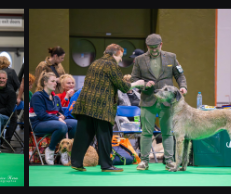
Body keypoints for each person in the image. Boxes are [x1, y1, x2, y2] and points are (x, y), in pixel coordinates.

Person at [71, 44, 146, 172]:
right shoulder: (111, 65)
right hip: (102, 106)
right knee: (105, 135)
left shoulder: (95, 63)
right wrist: (136, 84)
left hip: (85, 104)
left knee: (83, 134)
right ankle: (106, 165)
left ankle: (76, 162)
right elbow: (122, 86)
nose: (121, 60)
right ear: (116, 53)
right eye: (121, 56)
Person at [130, 34, 188, 171]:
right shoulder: (139, 60)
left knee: (167, 132)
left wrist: (183, 86)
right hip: (147, 100)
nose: (154, 50)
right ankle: (143, 161)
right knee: (146, 132)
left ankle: (169, 161)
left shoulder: (171, 57)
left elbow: (180, 75)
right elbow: (133, 79)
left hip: (167, 101)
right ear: (147, 46)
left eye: (156, 47)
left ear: (161, 44)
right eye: (151, 48)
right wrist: (144, 84)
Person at [31, 72, 79, 164]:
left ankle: (66, 150)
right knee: (61, 126)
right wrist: (57, 118)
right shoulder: (37, 96)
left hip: (53, 122)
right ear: (45, 82)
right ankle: (51, 149)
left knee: (76, 124)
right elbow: (41, 115)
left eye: (55, 81)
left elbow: (60, 112)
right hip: (39, 123)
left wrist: (62, 116)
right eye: (52, 81)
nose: (55, 83)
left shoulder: (56, 98)